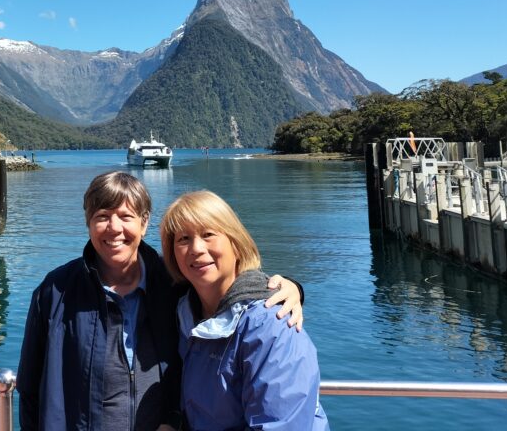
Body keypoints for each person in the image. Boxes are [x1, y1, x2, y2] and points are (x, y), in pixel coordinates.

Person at [17, 172, 304, 431]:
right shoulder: (55, 292)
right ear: (88, 223)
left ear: (144, 223)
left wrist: (291, 288)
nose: (114, 228)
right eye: (102, 216)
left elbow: (228, 287)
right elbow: (30, 389)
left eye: (126, 216)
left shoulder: (172, 285)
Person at [160, 190, 329, 430]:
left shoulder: (272, 323)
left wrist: (293, 289)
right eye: (183, 239)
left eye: (208, 234)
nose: (196, 248)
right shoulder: (185, 313)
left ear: (236, 244)